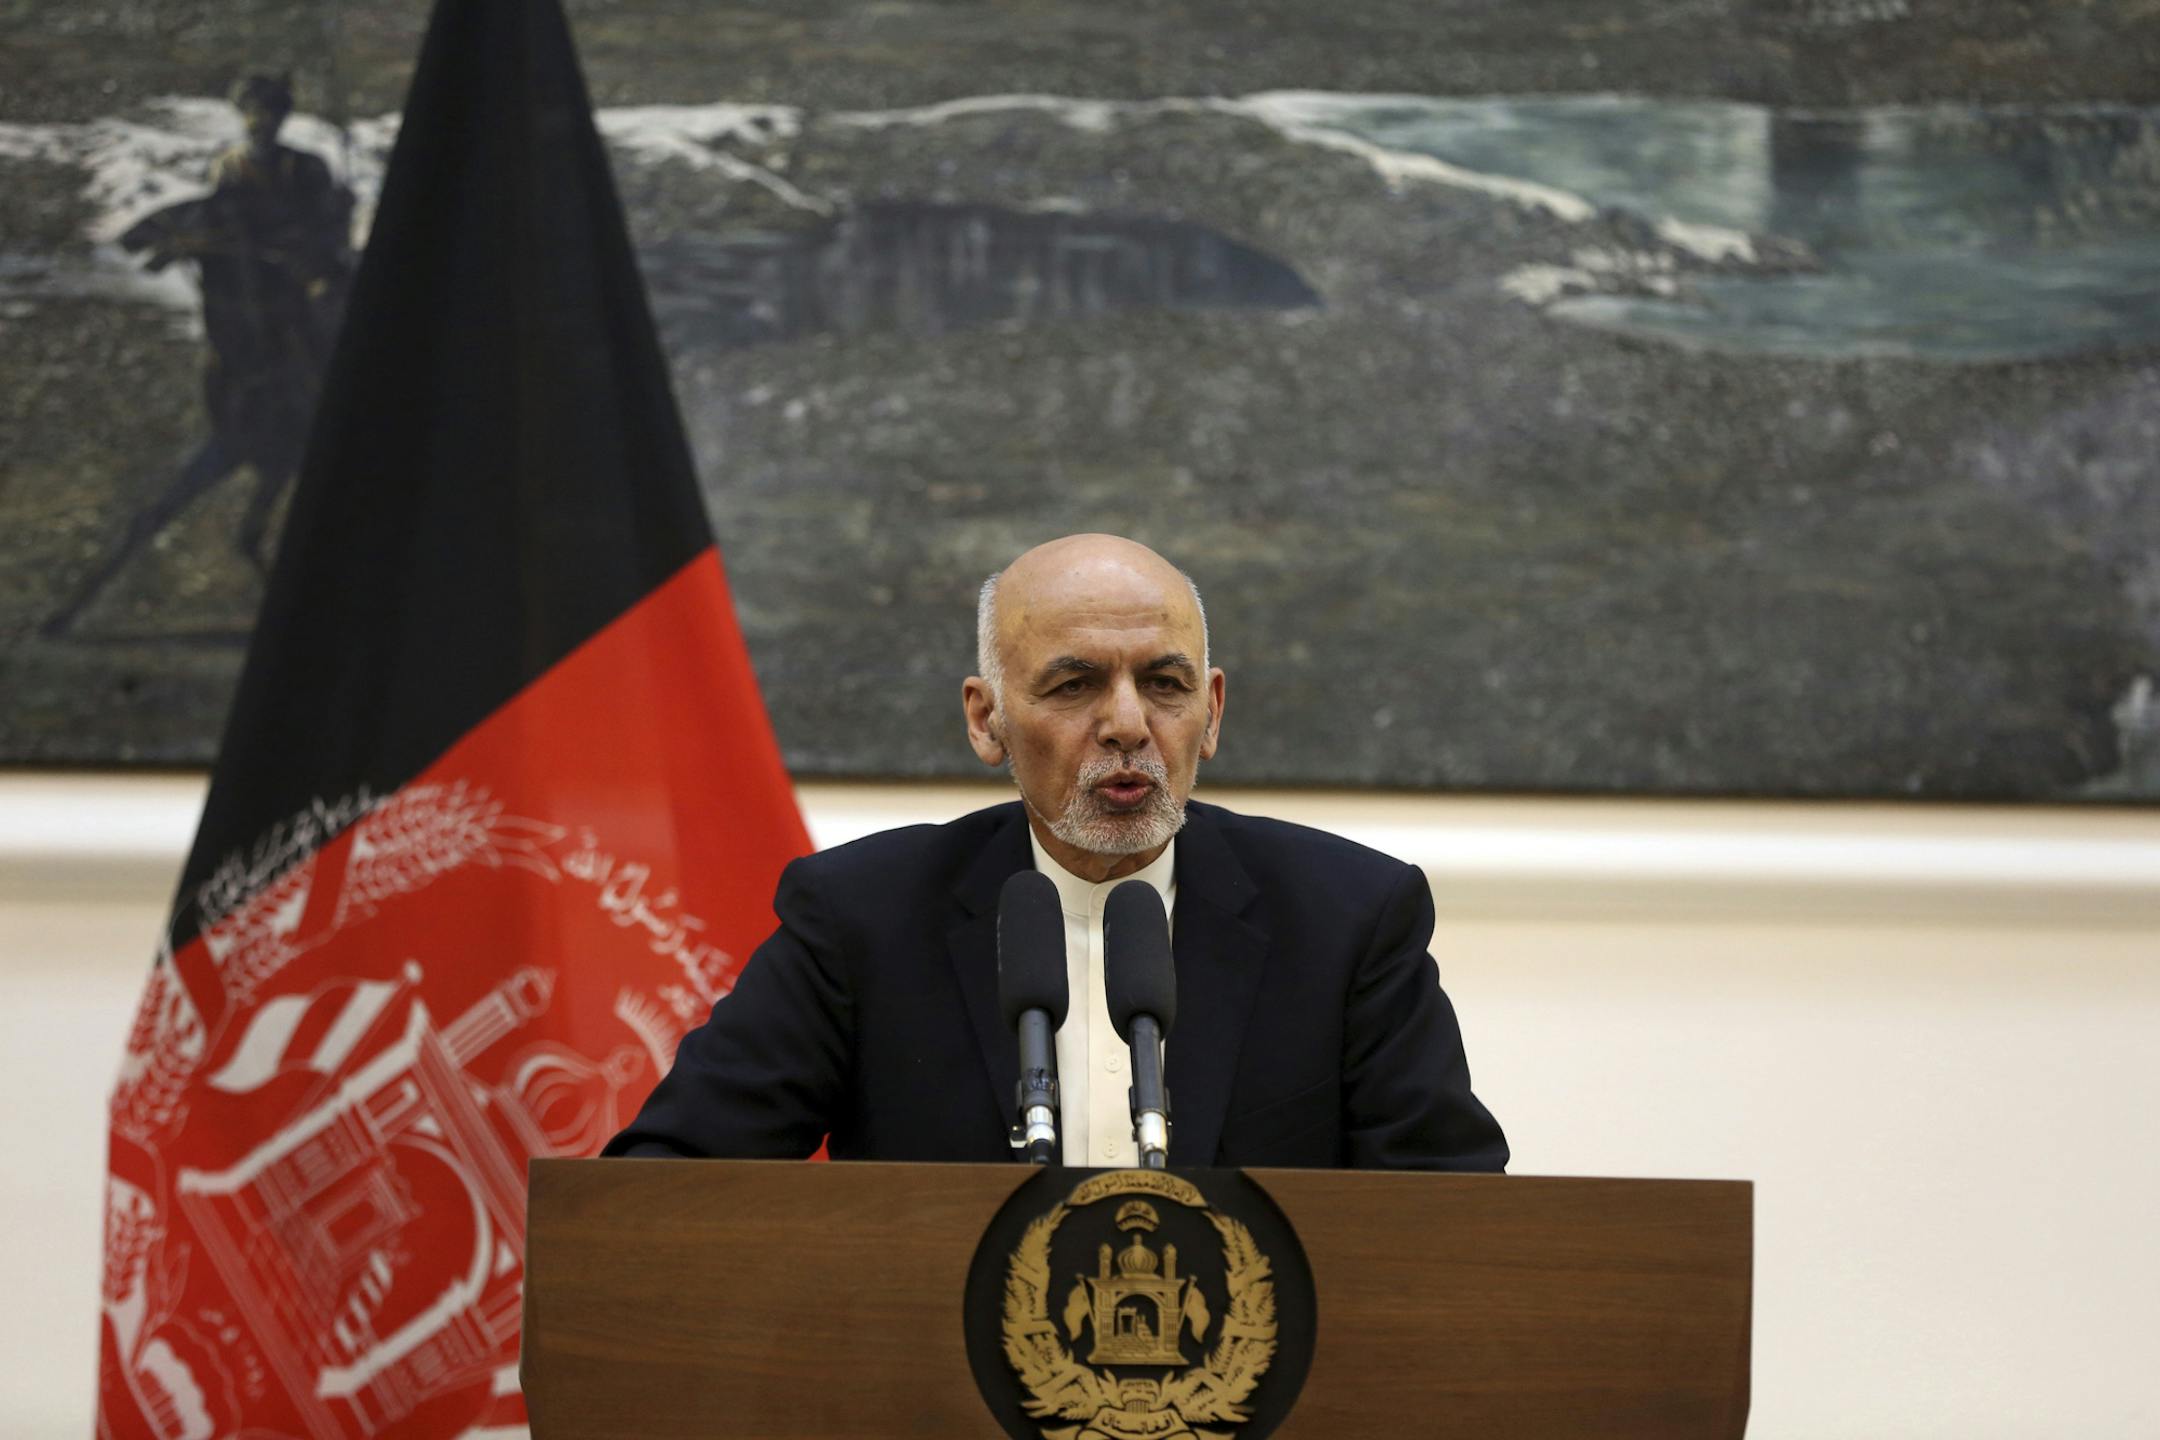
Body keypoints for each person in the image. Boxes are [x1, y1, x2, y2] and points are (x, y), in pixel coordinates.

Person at [606, 534, 1506, 1169]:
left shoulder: (1349, 918)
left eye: (1164, 684)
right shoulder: (863, 919)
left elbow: (1451, 1218)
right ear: (986, 717)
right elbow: (668, 1182)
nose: (1126, 724)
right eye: (1074, 684)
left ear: (1214, 711)